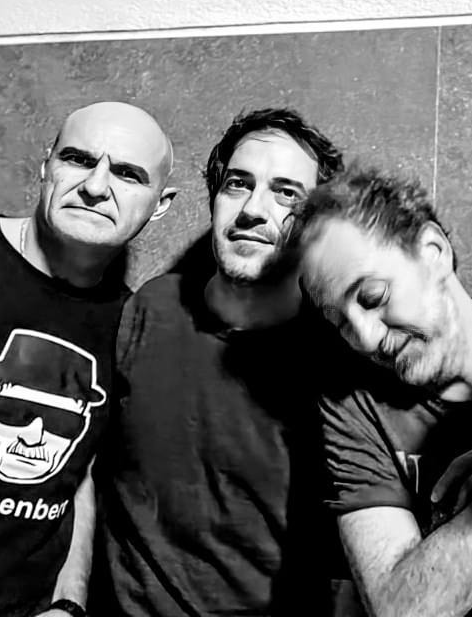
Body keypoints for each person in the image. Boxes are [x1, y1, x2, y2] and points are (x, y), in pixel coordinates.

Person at [0, 101, 176, 617]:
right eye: (78, 159)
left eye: (128, 174)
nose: (96, 186)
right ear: (46, 164)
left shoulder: (130, 322)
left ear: (160, 204)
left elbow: (80, 475)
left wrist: (68, 603)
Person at [93, 107, 351, 616]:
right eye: (238, 184)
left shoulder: (337, 358)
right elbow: (81, 472)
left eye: (286, 193)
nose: (253, 209)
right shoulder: (151, 307)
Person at [293, 167, 472, 617]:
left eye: (373, 296)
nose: (366, 338)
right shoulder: (353, 404)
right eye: (341, 322)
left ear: (433, 252)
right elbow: (403, 610)